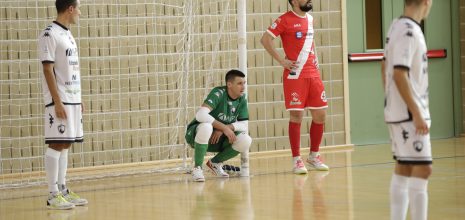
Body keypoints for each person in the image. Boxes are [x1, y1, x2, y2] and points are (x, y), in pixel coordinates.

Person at [260, 0, 329, 174]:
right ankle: (296, 159)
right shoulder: (285, 20)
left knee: (320, 115)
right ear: (295, 1)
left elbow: (310, 46)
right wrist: (281, 60)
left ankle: (314, 155)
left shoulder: (311, 19)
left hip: (313, 74)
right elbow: (265, 39)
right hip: (295, 76)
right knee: (297, 115)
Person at [382, 0, 433, 219]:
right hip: (409, 114)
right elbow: (399, 73)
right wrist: (417, 112)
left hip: (400, 112)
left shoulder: (397, 25)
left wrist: (390, 99)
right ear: (425, 1)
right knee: (423, 169)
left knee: (404, 168)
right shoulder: (409, 31)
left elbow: (384, 66)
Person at [38, 0, 88, 210]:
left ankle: (62, 188)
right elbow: (48, 70)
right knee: (57, 143)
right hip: (58, 100)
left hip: (72, 98)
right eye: (78, 8)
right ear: (70, 8)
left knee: (66, 143)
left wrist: (78, 98)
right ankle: (52, 193)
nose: (79, 12)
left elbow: (70, 69)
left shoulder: (67, 33)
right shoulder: (50, 34)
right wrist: (57, 101)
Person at [185, 69, 252, 182]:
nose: (243, 87)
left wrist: (225, 129)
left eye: (244, 83)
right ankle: (197, 168)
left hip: (218, 140)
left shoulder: (242, 99)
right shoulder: (218, 93)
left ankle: (215, 163)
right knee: (207, 127)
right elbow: (200, 114)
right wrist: (223, 127)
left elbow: (244, 125)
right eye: (239, 83)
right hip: (197, 135)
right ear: (229, 84)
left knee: (246, 140)